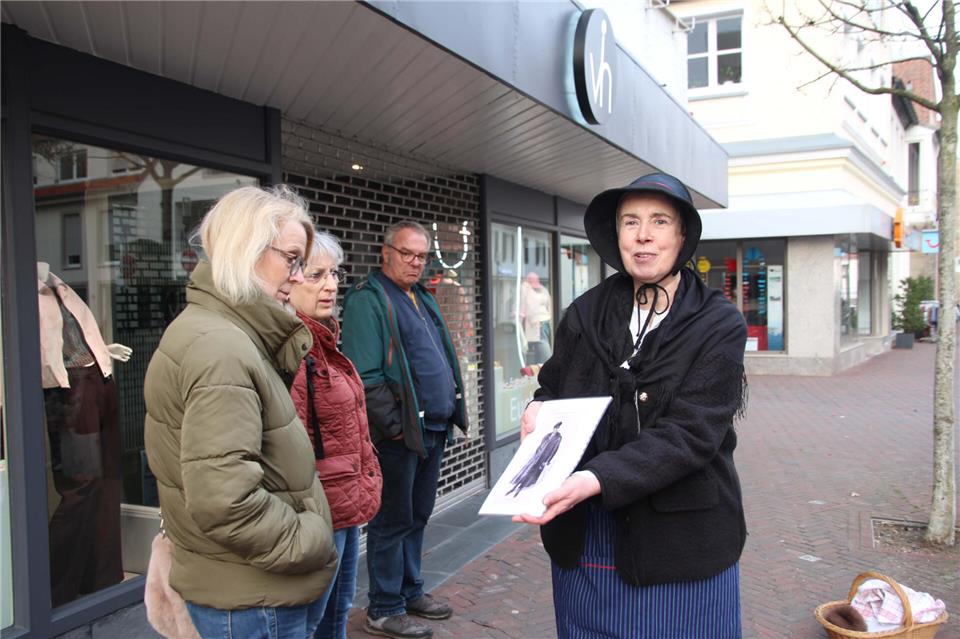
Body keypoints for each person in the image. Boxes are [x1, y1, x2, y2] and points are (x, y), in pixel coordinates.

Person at [515, 172, 748, 638]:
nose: (643, 235)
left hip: (680, 543)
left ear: (682, 236)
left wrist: (596, 477)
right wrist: (538, 408)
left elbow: (690, 435)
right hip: (586, 535)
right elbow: (554, 387)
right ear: (615, 234)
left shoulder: (718, 324)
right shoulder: (584, 312)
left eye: (660, 221)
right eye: (630, 222)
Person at [143, 185, 338, 639]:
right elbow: (224, 499)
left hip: (248, 589)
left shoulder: (222, 333)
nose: (298, 273)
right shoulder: (221, 347)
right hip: (253, 598)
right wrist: (308, 538)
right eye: (292, 258)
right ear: (247, 248)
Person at [341, 221, 469, 639]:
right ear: (386, 252)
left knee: (417, 515)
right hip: (400, 435)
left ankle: (411, 591)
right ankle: (383, 608)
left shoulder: (420, 295)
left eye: (421, 255)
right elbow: (367, 376)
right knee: (392, 520)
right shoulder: (369, 300)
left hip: (431, 429)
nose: (415, 262)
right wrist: (396, 430)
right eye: (407, 253)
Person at [288, 231, 383, 639]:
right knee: (313, 623)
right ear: (287, 279)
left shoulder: (322, 340)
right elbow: (291, 450)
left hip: (341, 505)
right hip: (318, 515)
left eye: (334, 273)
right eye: (316, 275)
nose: (331, 284)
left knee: (336, 614)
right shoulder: (293, 348)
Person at [507, 421, 563, 497]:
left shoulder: (558, 438)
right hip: (536, 456)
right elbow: (541, 444)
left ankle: (519, 489)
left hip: (543, 459)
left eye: (557, 428)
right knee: (525, 471)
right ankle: (514, 488)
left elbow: (554, 450)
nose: (556, 430)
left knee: (532, 474)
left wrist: (547, 461)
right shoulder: (548, 435)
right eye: (555, 428)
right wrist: (536, 453)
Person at [519, 272, 553, 363]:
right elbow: (550, 306)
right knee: (540, 349)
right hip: (545, 321)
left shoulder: (525, 288)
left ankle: (552, 370)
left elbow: (523, 307)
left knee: (543, 349)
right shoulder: (543, 290)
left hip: (538, 323)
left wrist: (520, 320)